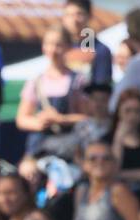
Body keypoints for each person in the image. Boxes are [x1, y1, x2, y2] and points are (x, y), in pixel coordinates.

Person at [16, 25, 89, 159]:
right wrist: (40, 122)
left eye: (58, 45)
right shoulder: (35, 80)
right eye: (49, 44)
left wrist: (61, 119)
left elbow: (87, 117)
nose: (53, 50)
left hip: (69, 147)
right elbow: (22, 119)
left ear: (68, 47)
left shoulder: (78, 80)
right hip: (40, 146)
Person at [61, 0, 112, 88]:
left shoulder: (100, 50)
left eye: (79, 14)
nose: (74, 20)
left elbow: (101, 90)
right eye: (69, 15)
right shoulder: (58, 48)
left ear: (89, 16)